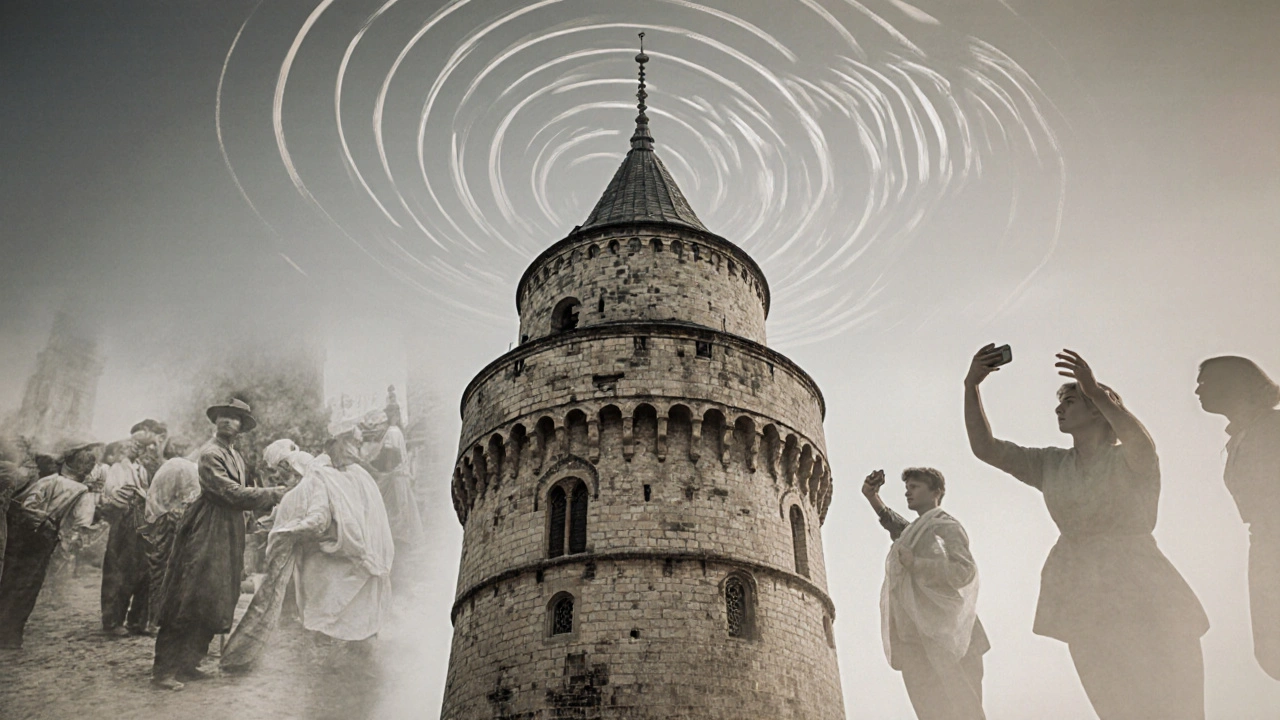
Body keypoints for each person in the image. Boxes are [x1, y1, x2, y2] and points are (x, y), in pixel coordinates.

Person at [964, 345, 1208, 719]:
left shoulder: (1130, 456)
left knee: (1175, 706)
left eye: (1071, 400)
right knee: (1116, 708)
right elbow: (986, 449)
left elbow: (1144, 444)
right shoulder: (1050, 463)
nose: (1059, 408)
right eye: (1060, 401)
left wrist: (1096, 391)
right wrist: (971, 386)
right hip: (1081, 596)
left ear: (1098, 408)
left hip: (1146, 590)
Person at [223, 425, 394, 672]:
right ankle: (352, 651)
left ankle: (339, 661)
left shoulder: (317, 478)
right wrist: (274, 523)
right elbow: (301, 507)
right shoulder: (338, 473)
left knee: (329, 602)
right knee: (344, 601)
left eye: (280, 474)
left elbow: (317, 518)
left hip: (337, 552)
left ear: (286, 467)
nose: (280, 481)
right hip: (347, 549)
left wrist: (285, 532)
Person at [150, 399, 285, 690]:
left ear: (241, 427)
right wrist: (273, 493)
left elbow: (241, 496)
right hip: (207, 527)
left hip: (229, 529)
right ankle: (164, 670)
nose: (228, 422)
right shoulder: (210, 453)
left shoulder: (234, 454)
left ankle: (189, 663)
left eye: (234, 418)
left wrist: (252, 520)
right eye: (223, 416)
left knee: (217, 596)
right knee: (189, 593)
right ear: (216, 421)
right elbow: (229, 492)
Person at [863, 467, 988, 720]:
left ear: (936, 492)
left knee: (964, 711)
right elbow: (897, 526)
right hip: (917, 637)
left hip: (951, 635)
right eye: (907, 488)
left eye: (915, 487)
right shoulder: (915, 531)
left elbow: (964, 571)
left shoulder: (946, 527)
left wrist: (917, 564)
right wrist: (871, 495)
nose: (908, 492)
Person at [1196, 355, 1280, 680]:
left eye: (1205, 382)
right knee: (1271, 651)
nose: (1197, 390)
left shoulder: (1272, 429)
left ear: (1234, 384)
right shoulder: (1240, 438)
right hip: (1264, 546)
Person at [0, 440, 100, 649]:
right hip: (45, 539)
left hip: (22, 537)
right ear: (86, 469)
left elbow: (26, 505)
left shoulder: (48, 481)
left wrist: (36, 518)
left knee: (9, 580)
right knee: (29, 586)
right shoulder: (83, 492)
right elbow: (81, 525)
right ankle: (11, 635)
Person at [359, 406, 424, 594]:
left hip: (394, 481)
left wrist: (378, 474)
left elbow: (389, 460)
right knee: (395, 521)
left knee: (395, 520)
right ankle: (396, 567)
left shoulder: (392, 433)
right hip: (396, 479)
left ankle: (397, 573)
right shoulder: (391, 433)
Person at [139, 438, 199, 633]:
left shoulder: (169, 466)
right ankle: (157, 620)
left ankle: (150, 619)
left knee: (157, 570)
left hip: (157, 520)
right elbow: (189, 499)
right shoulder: (184, 467)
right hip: (169, 522)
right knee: (167, 571)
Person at [100, 430, 155, 636]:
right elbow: (114, 494)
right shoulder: (117, 468)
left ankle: (138, 620)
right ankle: (113, 621)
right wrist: (133, 498)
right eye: (136, 445)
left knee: (145, 569)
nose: (138, 450)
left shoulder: (141, 469)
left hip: (142, 520)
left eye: (143, 447)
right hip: (124, 521)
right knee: (119, 570)